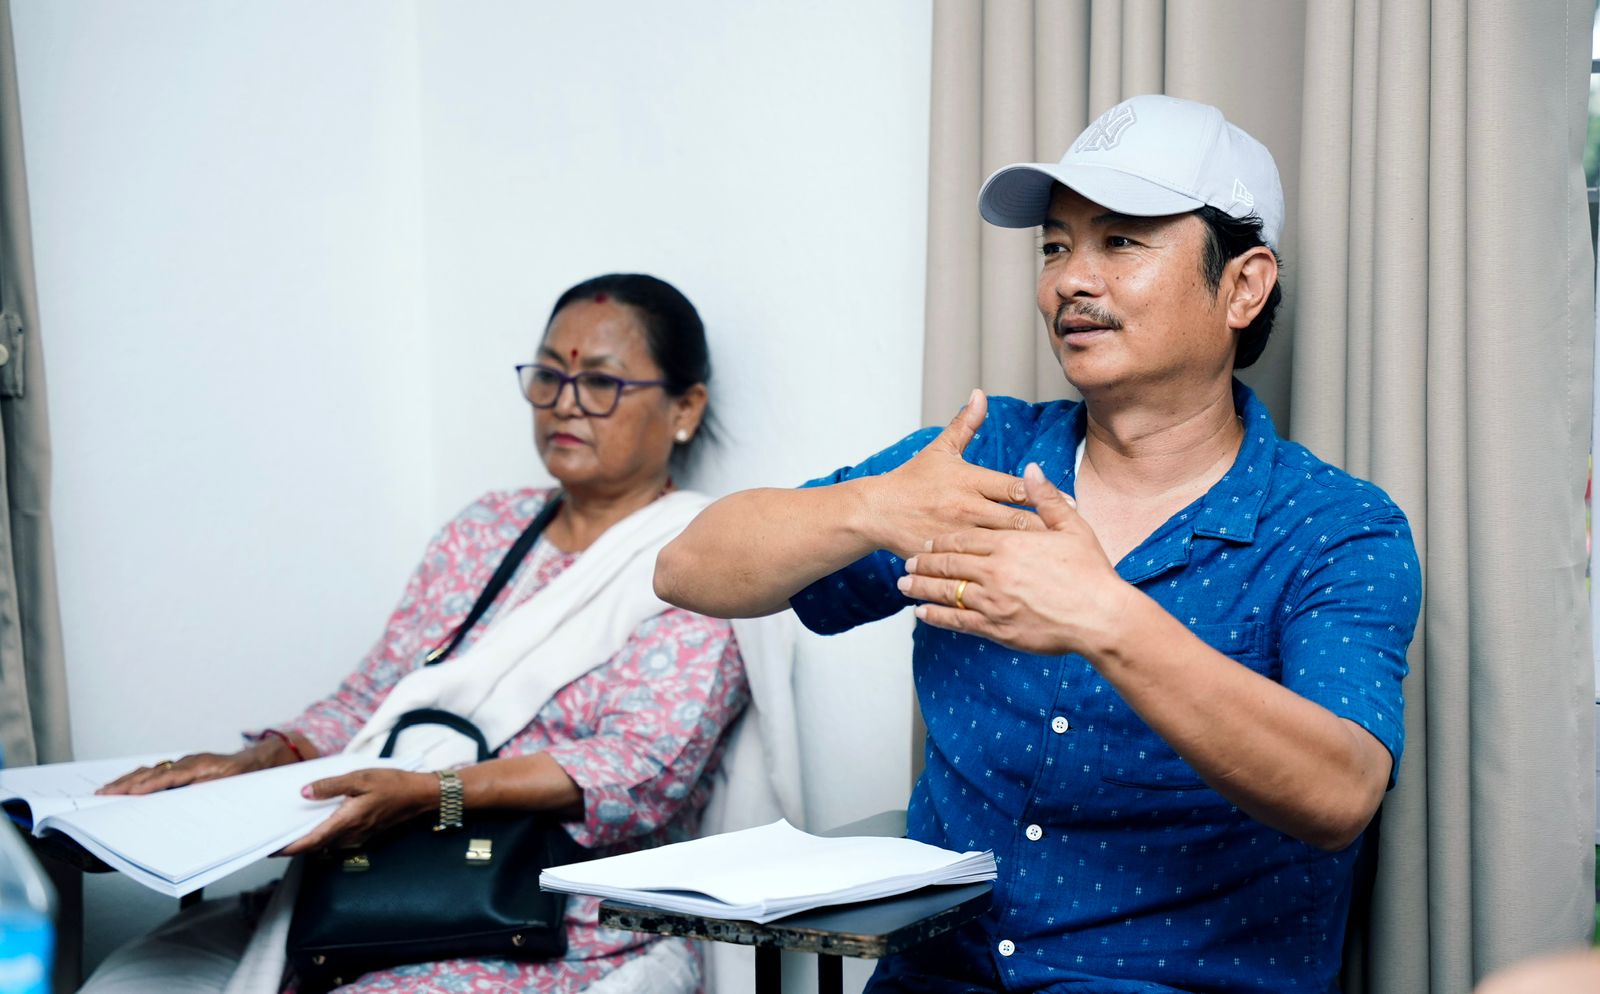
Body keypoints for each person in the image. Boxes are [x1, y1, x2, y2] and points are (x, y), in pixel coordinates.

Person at [655, 94, 1421, 993]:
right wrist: (869, 508)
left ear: (1243, 286)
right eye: (1055, 247)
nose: (1070, 282)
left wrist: (1105, 617)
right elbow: (688, 568)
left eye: (1121, 242)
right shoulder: (982, 460)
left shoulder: (1335, 527)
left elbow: (1340, 793)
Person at [84, 273, 761, 994]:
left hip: (557, 920)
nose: (564, 403)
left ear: (684, 407)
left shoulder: (700, 562)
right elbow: (374, 700)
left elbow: (639, 770)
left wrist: (434, 793)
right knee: (131, 979)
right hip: (377, 878)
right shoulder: (485, 529)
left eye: (600, 382)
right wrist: (252, 763)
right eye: (549, 376)